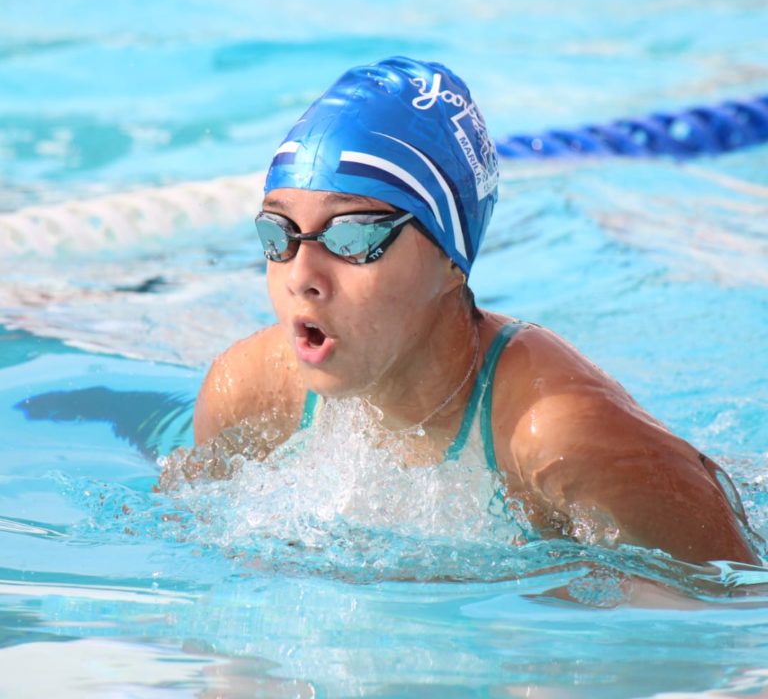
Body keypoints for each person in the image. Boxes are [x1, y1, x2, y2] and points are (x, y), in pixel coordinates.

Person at [166, 56, 760, 566]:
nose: (302, 276)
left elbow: (736, 615)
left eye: (352, 237)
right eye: (280, 234)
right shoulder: (249, 393)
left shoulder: (560, 438)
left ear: (452, 260)